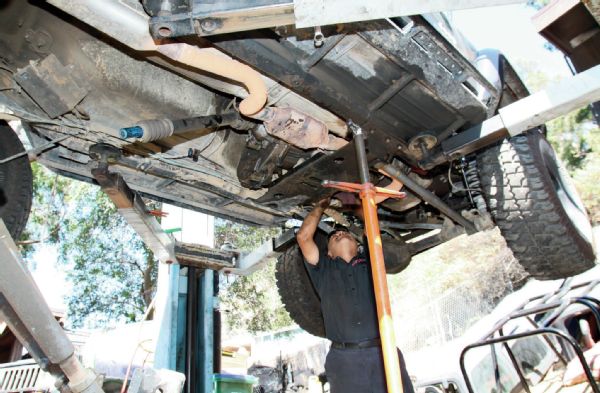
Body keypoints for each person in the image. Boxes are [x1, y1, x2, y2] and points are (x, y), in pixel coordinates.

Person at [296, 197, 415, 393]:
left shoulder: (372, 261)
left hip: (383, 353)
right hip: (344, 360)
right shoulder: (322, 268)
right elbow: (303, 237)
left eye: (346, 234)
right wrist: (321, 205)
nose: (340, 233)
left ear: (358, 245)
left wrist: (358, 205)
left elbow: (372, 229)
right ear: (329, 253)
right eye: (334, 236)